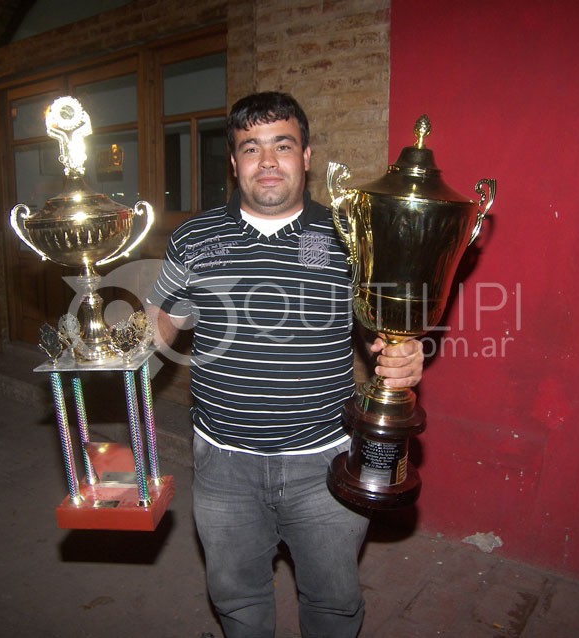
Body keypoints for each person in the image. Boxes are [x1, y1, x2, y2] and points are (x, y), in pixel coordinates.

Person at [147, 92, 424, 638]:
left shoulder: (352, 239)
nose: (267, 161)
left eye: (283, 145)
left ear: (307, 155)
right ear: (234, 163)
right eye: (251, 147)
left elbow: (383, 328)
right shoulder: (194, 239)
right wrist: (109, 348)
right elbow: (159, 328)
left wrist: (403, 353)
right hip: (224, 464)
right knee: (237, 601)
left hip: (324, 464)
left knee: (335, 602)